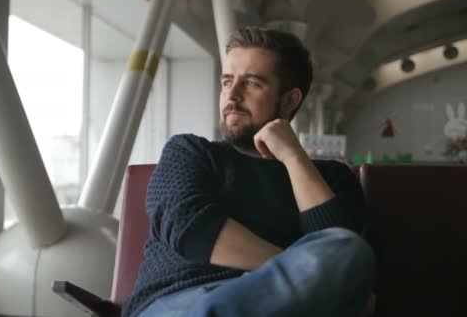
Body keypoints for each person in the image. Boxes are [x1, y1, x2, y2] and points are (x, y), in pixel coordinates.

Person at [122, 26, 375, 317]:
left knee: (349, 249)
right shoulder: (190, 152)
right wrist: (298, 267)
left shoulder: (332, 178)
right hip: (180, 298)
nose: (232, 95)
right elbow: (187, 226)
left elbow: (340, 254)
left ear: (290, 100)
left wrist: (294, 158)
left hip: (279, 305)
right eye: (227, 81)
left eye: (252, 83)